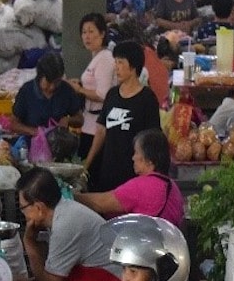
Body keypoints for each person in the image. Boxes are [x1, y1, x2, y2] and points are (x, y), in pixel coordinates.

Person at [17, 168, 130, 281]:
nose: (24, 215)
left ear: (39, 208)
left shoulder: (65, 225)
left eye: (23, 208)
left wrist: (29, 244)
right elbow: (58, 271)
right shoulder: (64, 213)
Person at [83, 41, 161, 193]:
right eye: (115, 62)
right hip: (108, 171)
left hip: (133, 175)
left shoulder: (147, 98)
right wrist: (87, 164)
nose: (116, 67)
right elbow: (100, 132)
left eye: (120, 62)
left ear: (133, 66)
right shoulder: (112, 95)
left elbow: (153, 139)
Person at [75, 130, 184, 229]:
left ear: (149, 160)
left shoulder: (142, 187)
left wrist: (71, 196)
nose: (133, 158)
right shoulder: (173, 187)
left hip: (144, 248)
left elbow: (100, 204)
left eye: (136, 153)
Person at [67, 14, 116, 171]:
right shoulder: (97, 57)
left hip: (98, 126)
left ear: (102, 34)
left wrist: (79, 89)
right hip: (88, 124)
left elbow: (103, 94)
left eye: (91, 31)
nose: (87, 37)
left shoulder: (105, 59)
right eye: (84, 32)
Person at [10, 54, 83, 138]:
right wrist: (34, 131)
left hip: (58, 145)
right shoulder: (27, 91)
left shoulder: (66, 90)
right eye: (48, 82)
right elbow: (13, 124)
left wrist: (68, 120)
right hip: (33, 145)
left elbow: (80, 119)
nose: (52, 87)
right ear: (39, 77)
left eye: (56, 82)